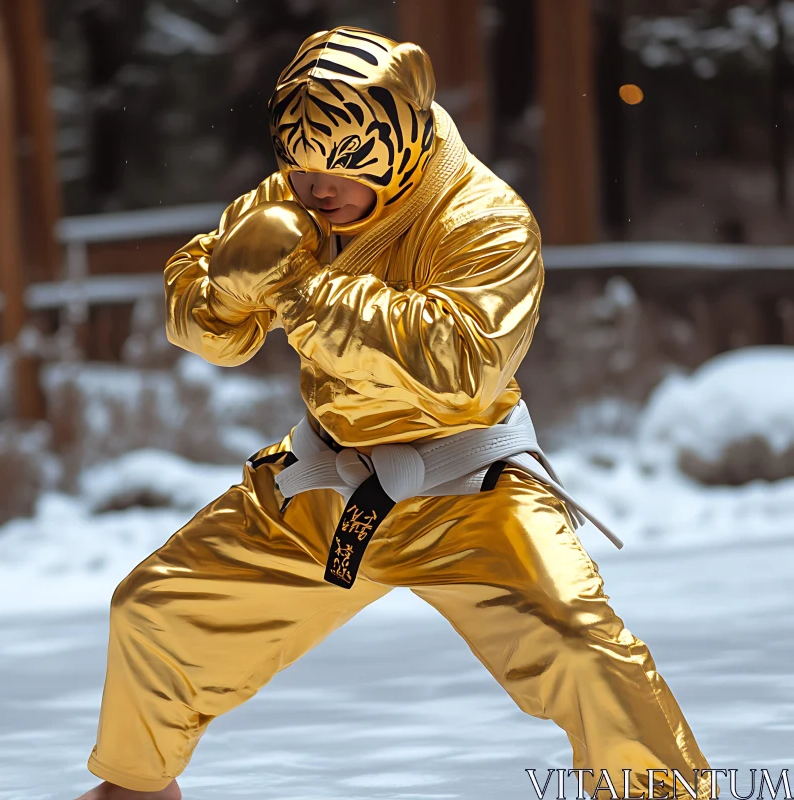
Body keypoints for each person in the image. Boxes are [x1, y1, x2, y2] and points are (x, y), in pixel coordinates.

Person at [76, 27, 716, 800]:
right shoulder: (291, 198)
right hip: (328, 480)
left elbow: (460, 363)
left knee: (586, 653)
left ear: (406, 139)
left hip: (470, 487)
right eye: (300, 164)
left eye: (344, 165)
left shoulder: (486, 219)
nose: (318, 191)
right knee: (154, 612)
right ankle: (136, 791)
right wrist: (223, 290)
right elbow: (205, 319)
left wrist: (305, 293)